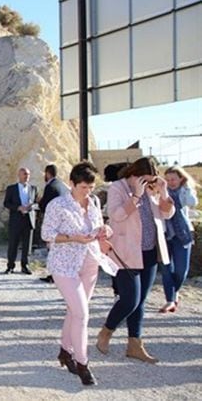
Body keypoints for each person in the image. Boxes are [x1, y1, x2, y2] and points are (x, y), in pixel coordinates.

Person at [96, 157, 174, 364]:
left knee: (140, 301)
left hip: (149, 252)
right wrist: (136, 197)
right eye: (144, 180)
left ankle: (134, 344)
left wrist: (163, 192)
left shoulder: (152, 190)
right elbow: (116, 215)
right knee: (130, 299)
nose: (148, 184)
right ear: (133, 175)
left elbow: (167, 214)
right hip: (126, 253)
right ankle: (106, 331)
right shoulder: (117, 188)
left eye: (150, 181)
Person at [41, 162, 112, 386]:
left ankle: (65, 351)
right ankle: (82, 363)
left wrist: (104, 230)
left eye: (91, 187)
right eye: (83, 187)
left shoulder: (94, 202)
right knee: (82, 313)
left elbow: (97, 225)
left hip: (90, 262)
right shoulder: (58, 204)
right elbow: (47, 234)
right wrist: (73, 237)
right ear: (71, 183)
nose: (88, 192)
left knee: (75, 312)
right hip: (64, 264)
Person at [159, 166, 197, 313]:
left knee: (181, 270)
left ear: (181, 178)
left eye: (173, 179)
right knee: (166, 269)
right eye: (167, 179)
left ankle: (175, 292)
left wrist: (187, 187)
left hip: (183, 234)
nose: (171, 182)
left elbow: (192, 202)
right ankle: (170, 299)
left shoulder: (184, 191)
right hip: (165, 234)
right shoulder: (162, 192)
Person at [38, 164, 71, 284]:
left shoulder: (50, 186)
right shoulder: (62, 185)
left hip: (53, 223)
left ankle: (54, 275)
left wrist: (39, 202)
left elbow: (44, 205)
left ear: (47, 173)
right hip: (64, 223)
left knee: (52, 250)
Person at [3, 167, 38, 274]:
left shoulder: (33, 188)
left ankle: (25, 265)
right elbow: (6, 203)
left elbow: (36, 203)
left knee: (27, 245)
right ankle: (10, 266)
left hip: (28, 219)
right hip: (16, 219)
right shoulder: (11, 188)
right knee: (13, 244)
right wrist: (18, 207)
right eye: (24, 174)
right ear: (19, 175)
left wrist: (31, 207)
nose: (26, 176)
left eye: (28, 174)